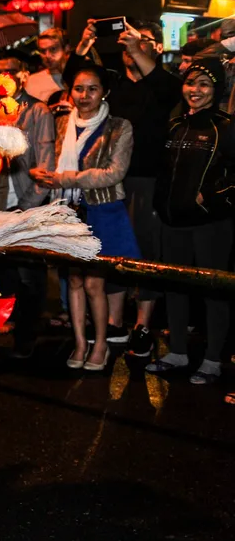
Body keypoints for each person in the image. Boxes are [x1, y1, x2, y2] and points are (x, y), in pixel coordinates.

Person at [76, 19, 182, 355]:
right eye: (126, 40)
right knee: (113, 249)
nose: (129, 45)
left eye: (141, 40)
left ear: (158, 47)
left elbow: (167, 89)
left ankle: (143, 324)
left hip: (148, 181)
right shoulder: (116, 84)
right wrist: (86, 42)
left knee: (145, 251)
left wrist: (138, 49)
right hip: (110, 180)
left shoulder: (163, 84)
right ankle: (115, 321)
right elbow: (77, 78)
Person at [34, 64, 137, 371]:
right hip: (67, 210)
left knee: (94, 283)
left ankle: (100, 344)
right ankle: (80, 343)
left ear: (105, 92)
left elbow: (114, 173)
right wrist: (43, 174)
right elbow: (51, 161)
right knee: (75, 280)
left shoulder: (119, 127)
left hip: (103, 212)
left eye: (93, 89)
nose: (84, 95)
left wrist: (65, 178)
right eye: (79, 89)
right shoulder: (61, 123)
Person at [146, 58, 234, 386]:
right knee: (175, 288)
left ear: (216, 89)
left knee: (214, 292)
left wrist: (208, 196)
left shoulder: (226, 126)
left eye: (203, 84)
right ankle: (178, 353)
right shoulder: (175, 125)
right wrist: (159, 205)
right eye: (189, 82)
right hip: (172, 223)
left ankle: (212, 360)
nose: (194, 90)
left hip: (211, 225)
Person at [0, 54, 57, 357]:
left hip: (25, 204)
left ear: (23, 75)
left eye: (10, 71)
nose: (3, 76)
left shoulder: (37, 111)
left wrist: (27, 206)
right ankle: (13, 328)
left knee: (30, 273)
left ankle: (28, 335)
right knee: (4, 273)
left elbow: (46, 167)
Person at [26, 28, 73, 102]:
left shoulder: (77, 77)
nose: (47, 55)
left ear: (66, 48)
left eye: (53, 49)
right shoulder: (31, 81)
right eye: (43, 51)